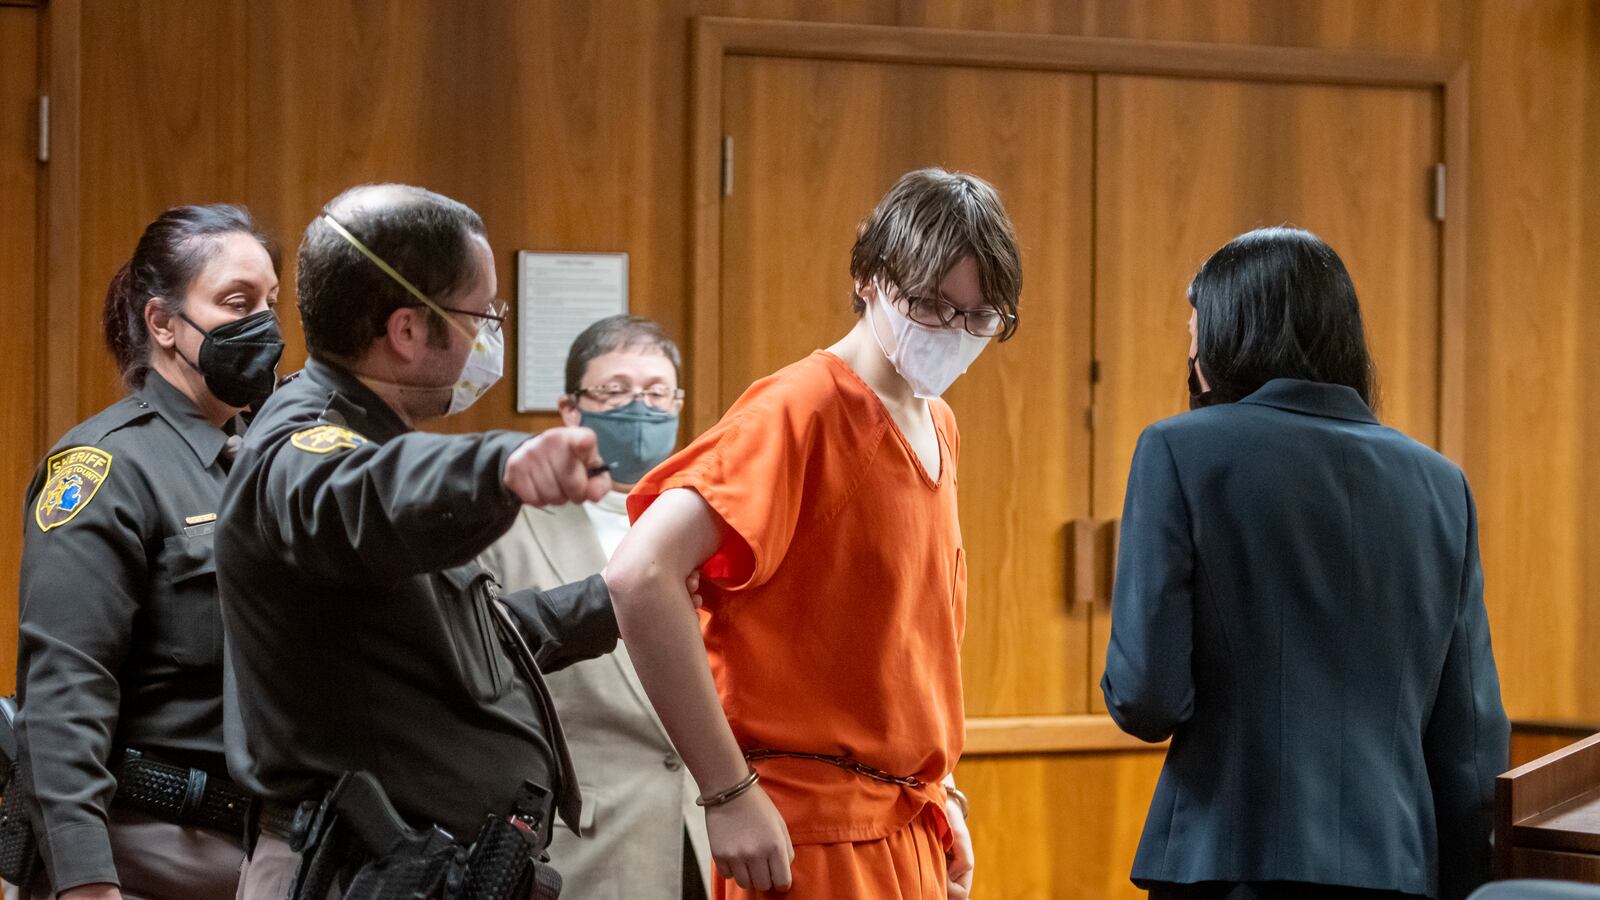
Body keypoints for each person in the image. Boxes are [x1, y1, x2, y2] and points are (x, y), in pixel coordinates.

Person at [606, 168, 1021, 899]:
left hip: (903, 820)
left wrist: (941, 792)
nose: (952, 334)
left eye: (978, 317)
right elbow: (639, 575)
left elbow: (904, 644)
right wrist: (727, 791)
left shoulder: (937, 423)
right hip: (809, 835)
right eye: (930, 305)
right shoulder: (803, 408)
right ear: (868, 276)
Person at [216, 184, 626, 898]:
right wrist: (499, 466)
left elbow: (450, 647)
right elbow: (358, 495)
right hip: (357, 873)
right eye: (481, 315)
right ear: (407, 331)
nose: (489, 336)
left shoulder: (368, 436)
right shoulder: (302, 442)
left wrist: (614, 599)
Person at [1101, 226, 1510, 900]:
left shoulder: (1179, 452)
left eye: (1194, 333)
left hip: (1227, 863)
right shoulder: (1441, 485)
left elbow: (1148, 696)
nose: (1192, 354)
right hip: (1397, 870)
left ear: (1229, 338)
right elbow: (1470, 739)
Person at [14, 205, 285, 900]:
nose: (266, 327)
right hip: (145, 858)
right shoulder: (104, 468)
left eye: (272, 304)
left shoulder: (275, 460)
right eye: (237, 302)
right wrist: (85, 883)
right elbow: (64, 699)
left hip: (268, 855)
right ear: (162, 323)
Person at [479, 314, 711, 900]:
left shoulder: (708, 525)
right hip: (584, 846)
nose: (639, 407)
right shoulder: (508, 528)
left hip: (706, 837)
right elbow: (485, 667)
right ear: (571, 408)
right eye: (615, 391)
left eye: (657, 393)